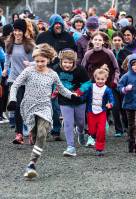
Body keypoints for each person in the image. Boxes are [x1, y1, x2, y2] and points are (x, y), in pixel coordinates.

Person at [7, 43, 77, 179]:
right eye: (37, 61)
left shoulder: (53, 74)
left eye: (42, 61)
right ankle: (32, 133)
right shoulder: (28, 71)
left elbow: (61, 89)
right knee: (34, 132)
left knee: (42, 133)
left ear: (49, 60)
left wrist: (72, 95)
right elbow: (15, 85)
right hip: (29, 106)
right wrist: (13, 100)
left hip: (45, 106)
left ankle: (32, 163)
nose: (39, 64)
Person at [36, 14, 76, 140]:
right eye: (55, 24)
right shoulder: (43, 36)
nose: (58, 25)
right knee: (44, 101)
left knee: (56, 102)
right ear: (52, 24)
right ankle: (43, 128)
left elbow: (73, 54)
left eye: (60, 23)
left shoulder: (68, 37)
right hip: (44, 72)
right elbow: (37, 53)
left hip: (61, 74)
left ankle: (56, 130)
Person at [81, 31, 120, 144]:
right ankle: (91, 135)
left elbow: (116, 68)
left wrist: (114, 81)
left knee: (106, 108)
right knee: (90, 109)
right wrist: (84, 84)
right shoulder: (88, 54)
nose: (97, 42)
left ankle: (102, 127)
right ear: (92, 41)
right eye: (95, 40)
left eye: (99, 40)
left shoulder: (109, 53)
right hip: (92, 85)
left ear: (103, 42)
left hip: (106, 85)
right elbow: (83, 69)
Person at [2, 19, 35, 144]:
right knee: (17, 105)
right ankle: (19, 134)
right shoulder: (9, 43)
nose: (17, 33)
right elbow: (7, 57)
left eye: (19, 30)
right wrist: (5, 69)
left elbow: (38, 60)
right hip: (14, 79)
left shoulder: (30, 44)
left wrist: (30, 63)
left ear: (24, 31)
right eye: (15, 30)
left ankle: (32, 131)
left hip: (28, 79)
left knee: (28, 107)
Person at [53, 49, 90, 156]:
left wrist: (79, 92)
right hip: (64, 100)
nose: (67, 65)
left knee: (81, 122)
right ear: (61, 61)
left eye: (70, 62)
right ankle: (71, 147)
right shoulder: (56, 69)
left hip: (79, 100)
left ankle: (81, 132)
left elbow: (87, 83)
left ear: (74, 62)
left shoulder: (80, 70)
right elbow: (53, 82)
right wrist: (55, 91)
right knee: (68, 123)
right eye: (65, 62)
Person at [76, 68, 115, 156]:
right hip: (91, 112)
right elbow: (85, 96)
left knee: (101, 130)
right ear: (95, 78)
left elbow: (112, 99)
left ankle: (99, 149)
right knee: (92, 130)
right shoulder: (91, 87)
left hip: (102, 112)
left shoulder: (107, 89)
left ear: (106, 79)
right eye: (98, 79)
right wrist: (78, 98)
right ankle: (90, 134)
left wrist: (110, 104)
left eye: (102, 79)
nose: (100, 81)